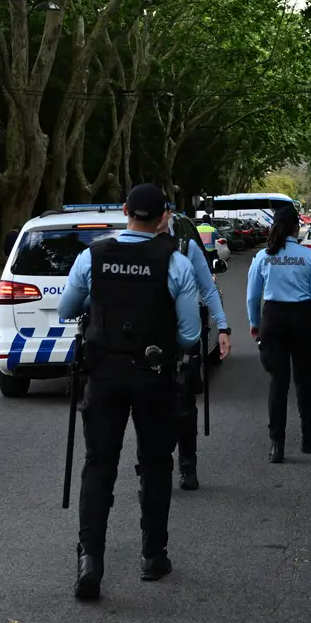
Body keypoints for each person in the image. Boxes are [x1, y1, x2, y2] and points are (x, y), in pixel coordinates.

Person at [59, 183, 201, 601]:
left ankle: (91, 561)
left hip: (103, 374)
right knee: (155, 464)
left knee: (98, 464)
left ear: (125, 211)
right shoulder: (175, 262)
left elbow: (67, 309)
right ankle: (152, 556)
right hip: (153, 376)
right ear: (163, 218)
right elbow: (191, 335)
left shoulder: (93, 256)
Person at [245, 204, 311, 463]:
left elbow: (253, 295)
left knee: (278, 382)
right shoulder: (309, 256)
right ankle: (309, 436)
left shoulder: (263, 256)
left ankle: (277, 444)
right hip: (302, 319)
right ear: (297, 227)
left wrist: (255, 323)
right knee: (304, 379)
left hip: (272, 319)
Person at [169, 212, 233, 491]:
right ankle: (153, 467)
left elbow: (208, 289)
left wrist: (223, 327)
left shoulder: (185, 247)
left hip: (183, 337)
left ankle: (187, 466)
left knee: (183, 405)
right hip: (141, 340)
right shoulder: (125, 247)